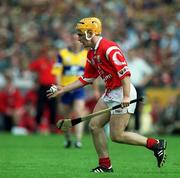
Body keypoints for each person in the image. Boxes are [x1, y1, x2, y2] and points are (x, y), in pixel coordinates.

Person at [47, 17, 167, 172]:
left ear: (91, 33)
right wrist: (63, 89)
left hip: (124, 91)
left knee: (117, 136)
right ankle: (105, 165)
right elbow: (87, 78)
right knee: (94, 126)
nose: (79, 39)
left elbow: (125, 74)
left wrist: (125, 96)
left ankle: (155, 144)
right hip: (110, 92)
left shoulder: (109, 48)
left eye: (81, 35)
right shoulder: (91, 54)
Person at [52, 33, 100, 148]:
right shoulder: (62, 54)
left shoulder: (87, 54)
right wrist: (59, 87)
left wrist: (96, 89)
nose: (75, 41)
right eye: (73, 39)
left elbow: (93, 73)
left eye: (77, 39)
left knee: (78, 113)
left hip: (79, 89)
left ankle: (78, 141)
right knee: (65, 116)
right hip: (65, 88)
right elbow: (58, 72)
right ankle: (68, 138)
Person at [29, 45, 57, 133]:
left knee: (53, 108)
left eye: (51, 52)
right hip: (42, 87)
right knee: (40, 108)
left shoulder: (56, 63)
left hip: (53, 87)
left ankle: (52, 127)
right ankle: (36, 126)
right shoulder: (40, 62)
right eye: (48, 52)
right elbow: (30, 67)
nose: (49, 54)